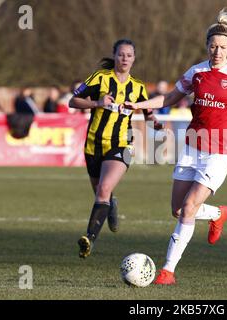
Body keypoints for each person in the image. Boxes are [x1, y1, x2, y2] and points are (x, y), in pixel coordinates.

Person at [123, 9, 227, 285]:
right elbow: (171, 97)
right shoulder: (196, 72)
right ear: (207, 45)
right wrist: (139, 105)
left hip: (220, 151)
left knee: (188, 207)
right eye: (213, 46)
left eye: (222, 47)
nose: (217, 51)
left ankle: (167, 271)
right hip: (192, 146)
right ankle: (218, 213)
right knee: (177, 209)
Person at [69, 39, 162, 258]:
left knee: (103, 189)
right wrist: (97, 103)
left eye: (129, 55)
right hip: (93, 145)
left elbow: (147, 113)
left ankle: (88, 240)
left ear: (134, 58)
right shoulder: (99, 78)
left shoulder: (138, 87)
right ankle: (111, 204)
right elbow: (73, 101)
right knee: (101, 194)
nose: (125, 59)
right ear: (114, 55)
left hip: (121, 145)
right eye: (121, 54)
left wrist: (155, 124)